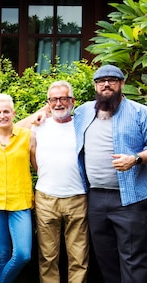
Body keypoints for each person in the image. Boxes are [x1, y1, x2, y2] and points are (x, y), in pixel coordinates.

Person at [74, 64, 147, 283]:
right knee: (105, 256)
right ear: (95, 86)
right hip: (94, 197)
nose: (106, 84)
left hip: (130, 198)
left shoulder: (143, 113)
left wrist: (135, 159)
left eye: (112, 80)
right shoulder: (82, 111)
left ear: (122, 84)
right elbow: (54, 113)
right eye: (100, 81)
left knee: (133, 257)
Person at [32, 81, 89, 283]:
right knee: (48, 256)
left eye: (63, 98)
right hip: (46, 198)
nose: (58, 103)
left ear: (72, 101)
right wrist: (39, 112)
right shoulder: (38, 126)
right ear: (48, 103)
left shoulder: (82, 126)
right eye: (53, 99)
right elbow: (8, 128)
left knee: (78, 256)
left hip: (77, 197)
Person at [0, 93, 35, 283]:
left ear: (13, 113)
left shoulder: (28, 136)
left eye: (6, 111)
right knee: (2, 253)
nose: (2, 115)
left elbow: (38, 166)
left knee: (23, 254)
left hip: (20, 202)